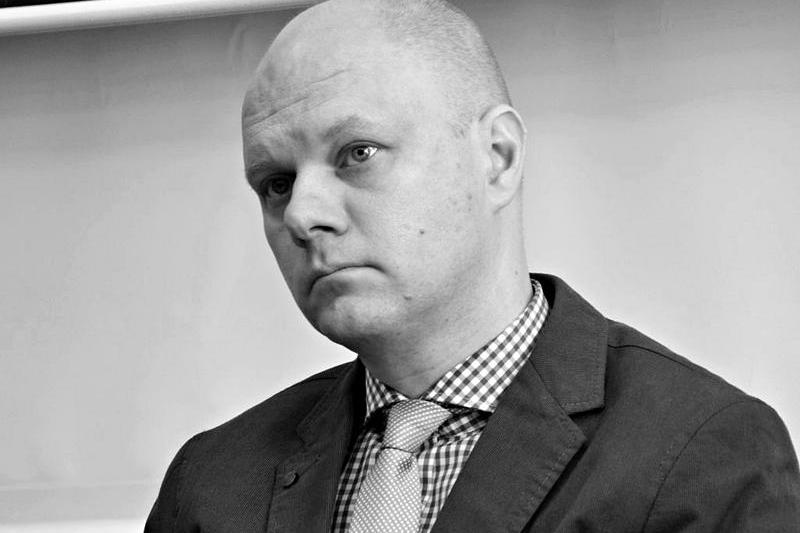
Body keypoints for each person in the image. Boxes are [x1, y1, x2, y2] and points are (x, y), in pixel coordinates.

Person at [146, 0, 800, 531]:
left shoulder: (701, 455)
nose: (302, 213)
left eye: (357, 152)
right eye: (276, 183)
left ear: (498, 157)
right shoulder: (211, 483)